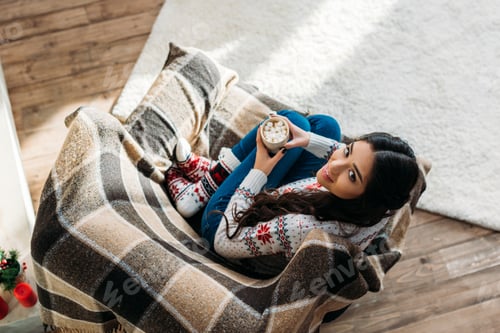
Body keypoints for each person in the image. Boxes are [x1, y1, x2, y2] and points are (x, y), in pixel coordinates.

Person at [166, 110, 419, 260]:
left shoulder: (301, 228)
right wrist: (307, 139)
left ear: (367, 197)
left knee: (287, 120)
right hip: (292, 198)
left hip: (226, 223)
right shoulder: (382, 205)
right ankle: (215, 174)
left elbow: (223, 242)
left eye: (352, 175)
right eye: (348, 151)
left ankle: (201, 189)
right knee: (325, 126)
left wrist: (259, 171)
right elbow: (350, 158)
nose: (335, 164)